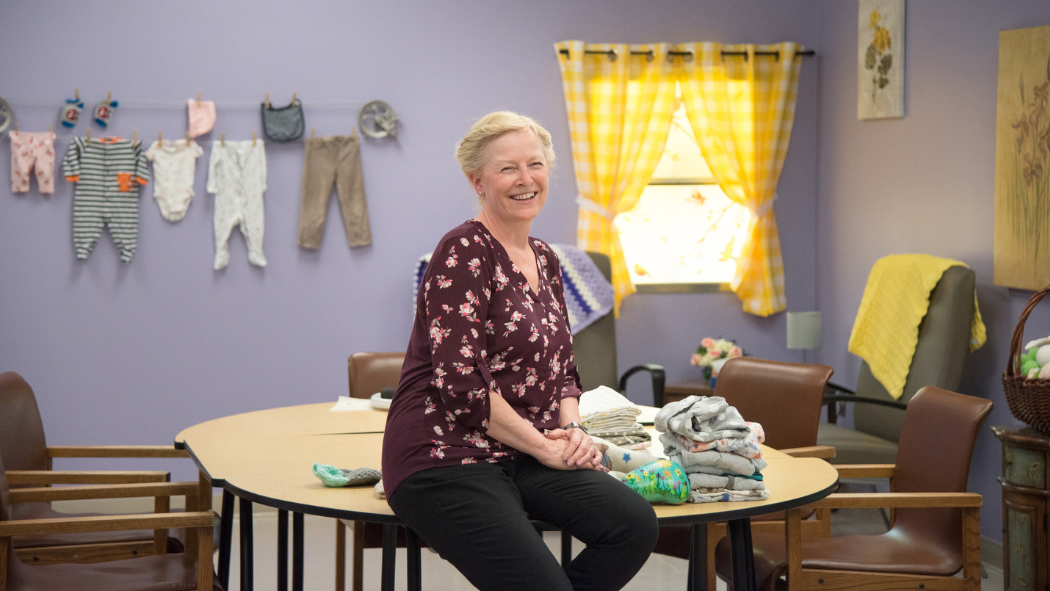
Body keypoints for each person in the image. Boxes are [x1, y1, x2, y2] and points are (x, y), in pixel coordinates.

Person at [382, 111, 659, 591]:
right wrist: (545, 448)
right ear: (478, 182)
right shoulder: (463, 251)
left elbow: (564, 370)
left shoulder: (547, 259)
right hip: (445, 455)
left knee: (633, 525)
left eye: (535, 164)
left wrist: (571, 432)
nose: (525, 179)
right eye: (508, 168)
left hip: (521, 452)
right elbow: (462, 386)